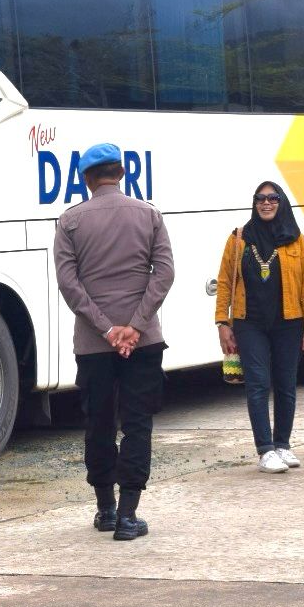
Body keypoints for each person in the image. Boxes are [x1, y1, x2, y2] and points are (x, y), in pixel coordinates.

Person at [53, 142, 175, 542]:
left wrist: (106, 330)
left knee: (99, 423)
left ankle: (105, 509)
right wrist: (135, 327)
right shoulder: (149, 215)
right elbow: (164, 274)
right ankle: (128, 516)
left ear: (87, 179)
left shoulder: (70, 222)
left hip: (93, 344)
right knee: (138, 423)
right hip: (143, 342)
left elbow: (69, 286)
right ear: (121, 174)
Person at [214, 182, 304, 474]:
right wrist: (222, 322)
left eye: (273, 198)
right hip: (250, 323)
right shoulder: (239, 239)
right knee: (258, 384)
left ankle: (283, 445)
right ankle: (265, 450)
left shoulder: (296, 239)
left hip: (289, 321)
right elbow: (225, 282)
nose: (266, 203)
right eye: (260, 198)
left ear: (281, 202)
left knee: (286, 384)